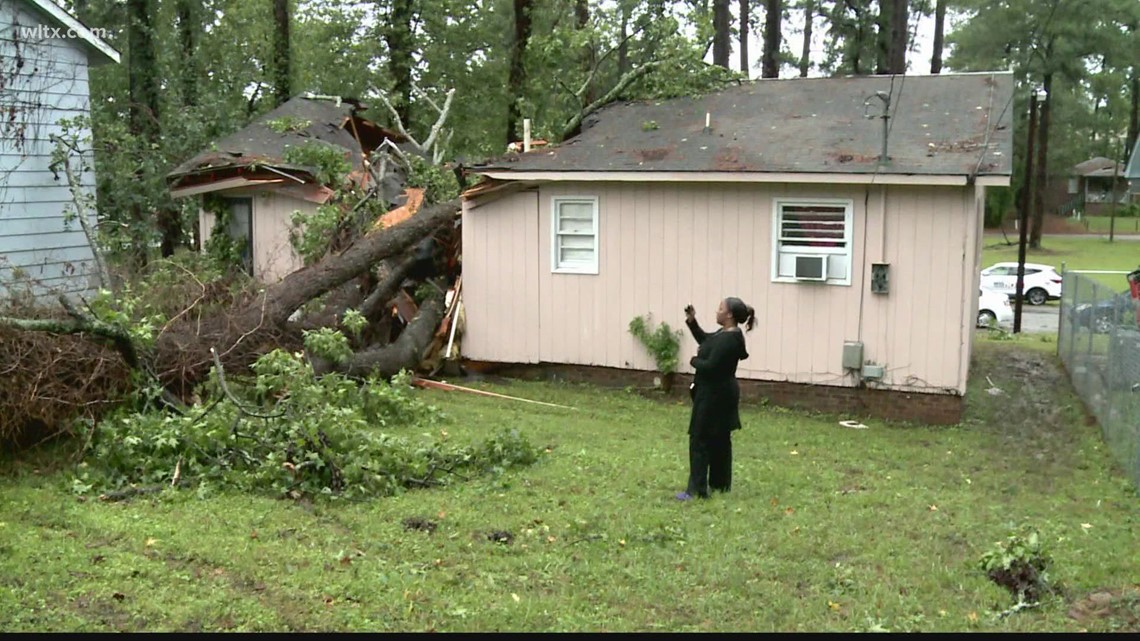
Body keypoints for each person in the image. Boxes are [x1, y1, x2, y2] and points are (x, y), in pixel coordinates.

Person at [675, 297, 755, 501]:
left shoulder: (730, 340)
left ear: (729, 315)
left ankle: (697, 490)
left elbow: (711, 366)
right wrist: (692, 321)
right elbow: (705, 339)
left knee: (700, 438)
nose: (716, 311)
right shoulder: (726, 334)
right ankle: (720, 485)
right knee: (719, 439)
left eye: (720, 308)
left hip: (714, 394)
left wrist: (694, 361)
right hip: (721, 393)